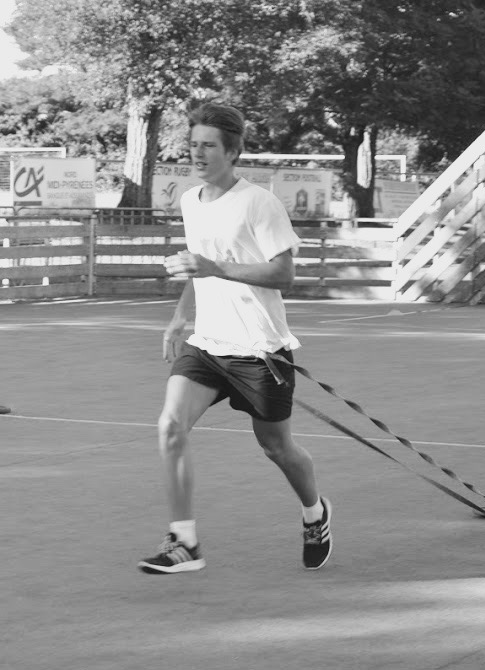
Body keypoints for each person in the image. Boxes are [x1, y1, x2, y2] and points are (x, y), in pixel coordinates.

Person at [138, 102, 332, 574]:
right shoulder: (189, 201)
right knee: (170, 426)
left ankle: (315, 513)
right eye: (192, 145)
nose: (198, 154)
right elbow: (196, 268)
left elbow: (284, 274)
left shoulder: (258, 203)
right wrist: (178, 319)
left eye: (208, 146)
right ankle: (184, 542)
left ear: (232, 151)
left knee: (277, 448)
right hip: (207, 345)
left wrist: (215, 268)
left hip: (260, 351)